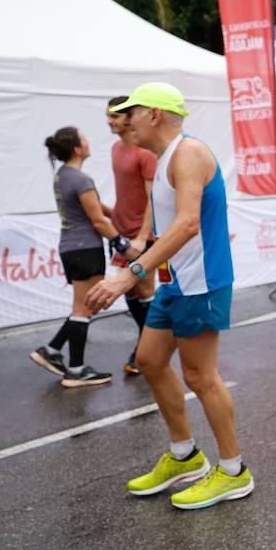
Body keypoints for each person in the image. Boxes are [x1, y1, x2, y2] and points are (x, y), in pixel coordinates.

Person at [86, 83, 253, 509]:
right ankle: (185, 456)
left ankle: (234, 472)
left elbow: (188, 225)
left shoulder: (189, 153)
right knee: (150, 361)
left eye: (132, 112)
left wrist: (128, 275)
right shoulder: (163, 161)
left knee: (201, 376)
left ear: (156, 114)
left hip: (203, 283)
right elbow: (168, 229)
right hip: (175, 281)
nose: (125, 121)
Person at [31, 127, 130, 388]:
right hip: (86, 248)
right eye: (84, 138)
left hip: (71, 248)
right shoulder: (81, 179)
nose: (88, 141)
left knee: (85, 306)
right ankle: (75, 369)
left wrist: (117, 213)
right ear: (77, 148)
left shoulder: (62, 176)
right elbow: (97, 219)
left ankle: (52, 350)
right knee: (84, 308)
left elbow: (97, 209)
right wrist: (121, 243)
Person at [106, 96, 158, 375]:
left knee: (145, 290)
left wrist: (142, 236)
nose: (109, 121)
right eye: (108, 115)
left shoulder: (144, 152)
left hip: (142, 235)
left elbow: (152, 197)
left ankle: (148, 350)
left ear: (128, 118)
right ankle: (146, 345)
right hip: (122, 232)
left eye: (114, 116)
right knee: (131, 291)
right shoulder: (116, 148)